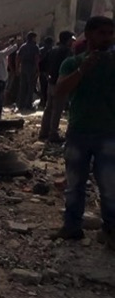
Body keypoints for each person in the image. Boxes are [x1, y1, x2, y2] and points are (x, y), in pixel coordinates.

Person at [51, 16, 115, 249]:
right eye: (102, 33)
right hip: (79, 131)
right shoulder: (72, 63)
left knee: (109, 186)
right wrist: (83, 69)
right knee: (75, 184)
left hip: (109, 133)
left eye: (110, 33)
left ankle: (110, 230)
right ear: (88, 35)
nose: (107, 38)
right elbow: (59, 91)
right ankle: (72, 227)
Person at [39, 31, 75, 142]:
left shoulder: (52, 50)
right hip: (60, 84)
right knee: (57, 110)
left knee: (48, 108)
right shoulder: (67, 52)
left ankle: (43, 132)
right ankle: (53, 134)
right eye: (71, 40)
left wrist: (47, 75)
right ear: (68, 40)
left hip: (50, 82)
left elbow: (41, 64)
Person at [0, 39, 18, 120]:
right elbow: (8, 51)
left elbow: (6, 50)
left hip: (2, 80)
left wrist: (9, 44)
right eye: (0, 45)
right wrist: (15, 44)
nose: (2, 45)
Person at [16, 31, 40, 110]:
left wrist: (17, 67)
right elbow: (36, 58)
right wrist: (37, 69)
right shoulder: (35, 46)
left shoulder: (23, 46)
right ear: (32, 38)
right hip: (31, 67)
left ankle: (20, 104)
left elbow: (18, 58)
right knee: (30, 87)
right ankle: (28, 105)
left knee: (22, 86)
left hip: (23, 67)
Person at [38, 36, 55, 108]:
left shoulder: (41, 50)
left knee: (43, 88)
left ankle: (44, 102)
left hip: (43, 71)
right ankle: (46, 102)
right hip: (48, 72)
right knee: (48, 88)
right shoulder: (52, 51)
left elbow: (38, 61)